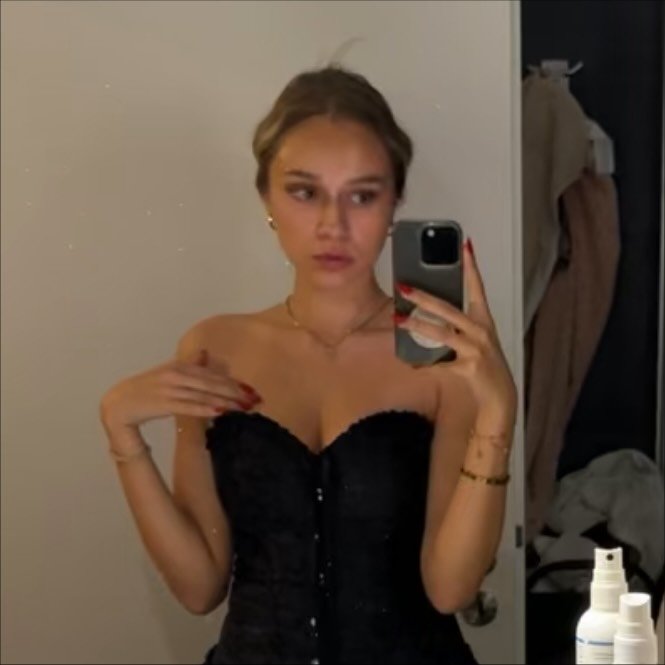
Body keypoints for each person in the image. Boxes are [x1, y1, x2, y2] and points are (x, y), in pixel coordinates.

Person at [99, 65, 518, 665]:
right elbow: (199, 587)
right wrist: (121, 430)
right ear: (267, 197)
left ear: (394, 203)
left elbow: (449, 589)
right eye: (305, 192)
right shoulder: (214, 348)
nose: (332, 225)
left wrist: (498, 414)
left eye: (362, 196)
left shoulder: (440, 358)